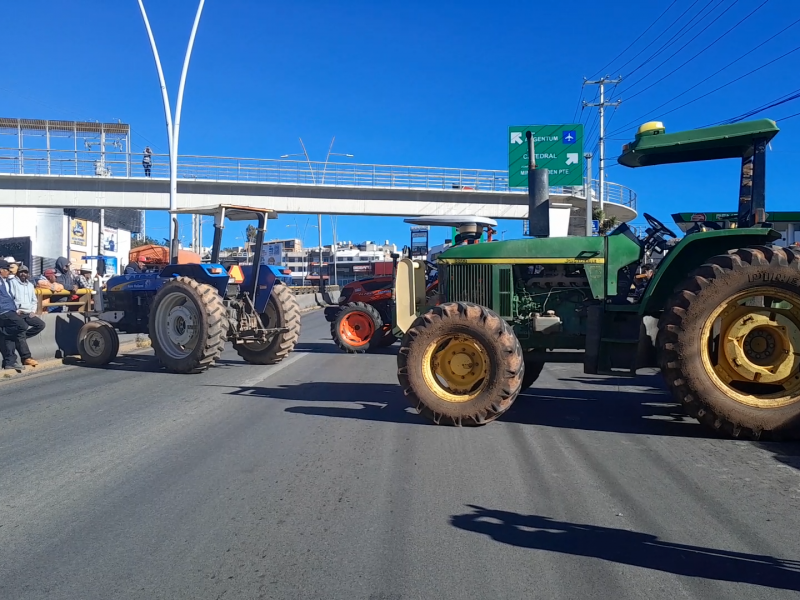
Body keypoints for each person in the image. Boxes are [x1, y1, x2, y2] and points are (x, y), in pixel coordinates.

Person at [8, 264, 43, 366]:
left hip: (28, 312)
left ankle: (21, 339)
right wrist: (15, 309)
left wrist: (33, 310)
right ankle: (26, 357)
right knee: (21, 330)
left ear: (28, 274)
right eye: (21, 272)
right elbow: (10, 297)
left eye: (25, 272)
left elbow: (34, 300)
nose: (23, 274)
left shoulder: (30, 285)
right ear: (18, 273)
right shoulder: (13, 283)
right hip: (18, 312)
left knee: (40, 325)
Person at [0, 259, 31, 371]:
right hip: (4, 311)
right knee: (22, 326)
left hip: (10, 310)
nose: (9, 272)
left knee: (11, 336)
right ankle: (2, 332)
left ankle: (10, 362)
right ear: (1, 270)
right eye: (6, 270)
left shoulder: (5, 281)